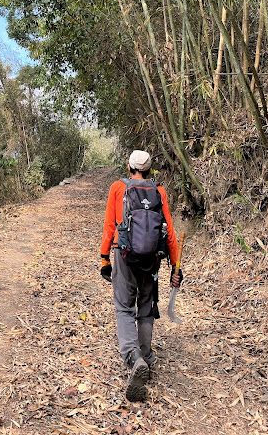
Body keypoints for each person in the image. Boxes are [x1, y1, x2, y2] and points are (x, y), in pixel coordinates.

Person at [100, 150, 183, 402]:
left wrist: (104, 258)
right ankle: (145, 356)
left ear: (129, 167)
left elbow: (109, 226)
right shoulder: (159, 191)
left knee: (124, 307)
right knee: (146, 307)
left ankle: (133, 357)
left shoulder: (117, 188)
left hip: (124, 255)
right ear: (149, 170)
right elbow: (169, 233)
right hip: (153, 258)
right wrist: (176, 266)